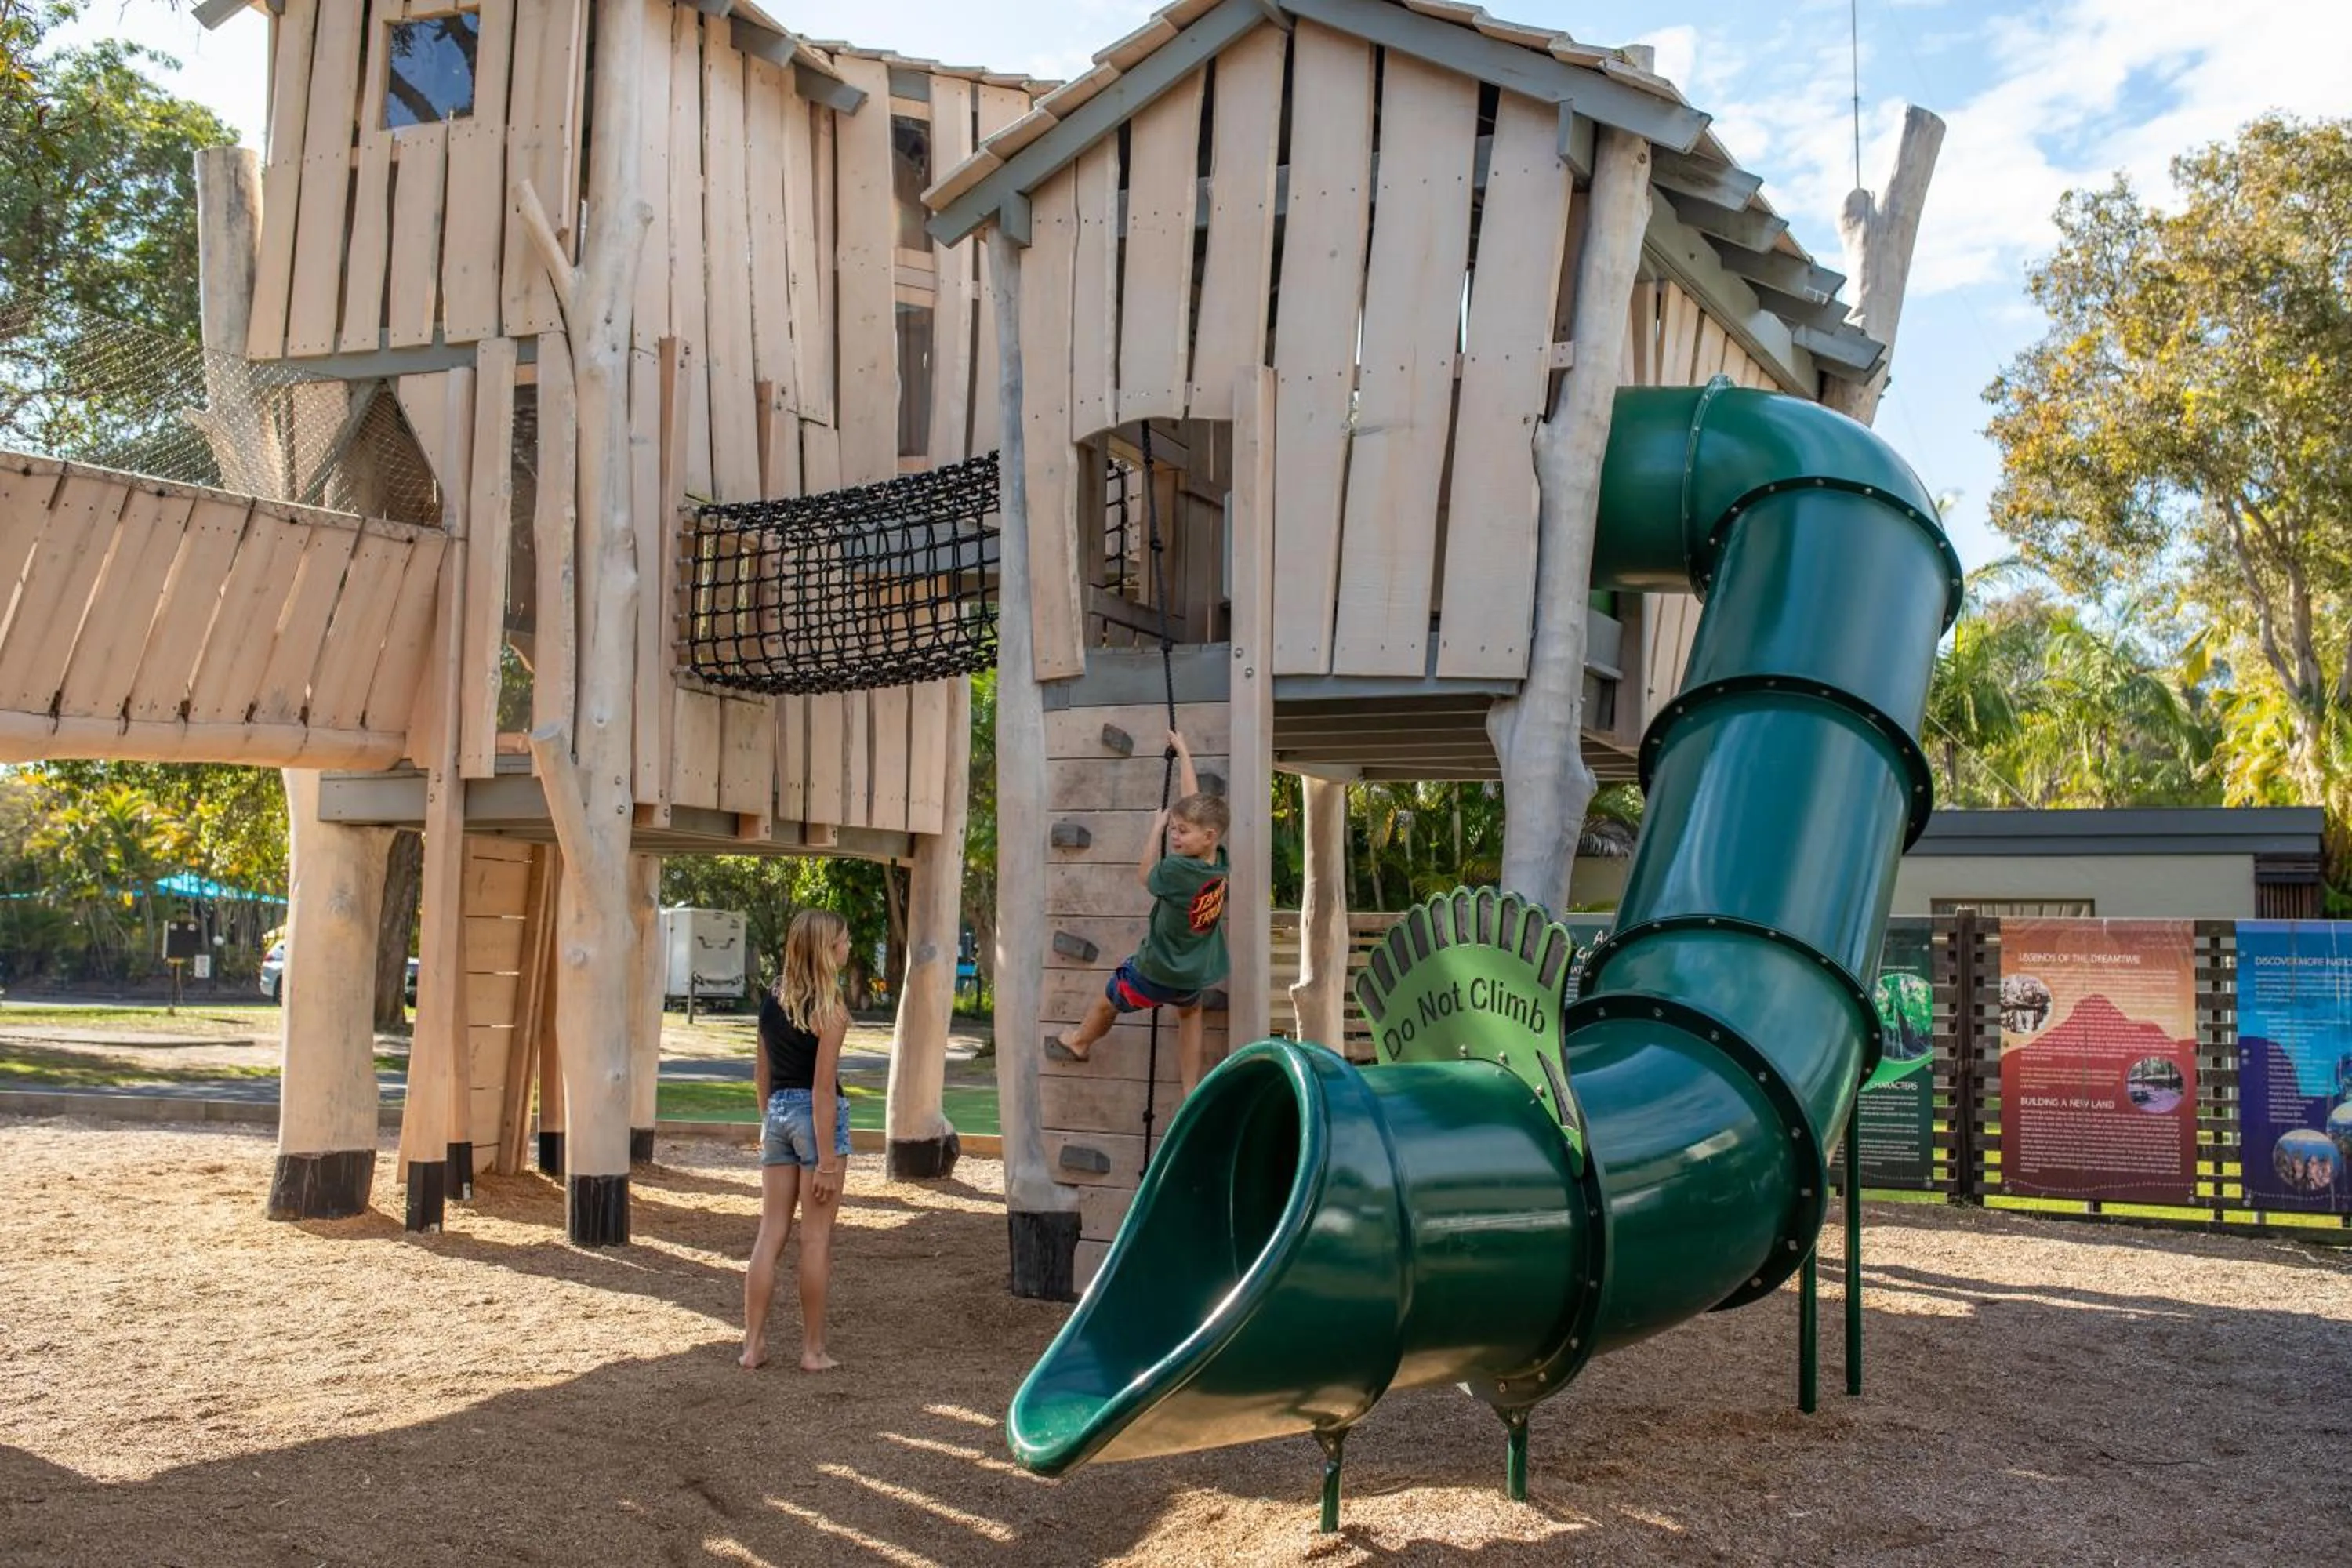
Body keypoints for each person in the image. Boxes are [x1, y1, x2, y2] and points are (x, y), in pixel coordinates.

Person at [1054, 729, 1229, 1094]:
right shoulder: (1217, 864)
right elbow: (1193, 805)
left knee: (1107, 1001)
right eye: (1174, 830)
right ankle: (1190, 1088)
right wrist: (1184, 753)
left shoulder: (1178, 870)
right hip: (1192, 973)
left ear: (1208, 836)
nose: (1175, 837)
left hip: (1156, 970)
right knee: (1190, 1013)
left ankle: (1079, 1042)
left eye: (1182, 832)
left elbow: (1144, 875)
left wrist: (1155, 830)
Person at [741, 908, 851, 1372]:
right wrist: (825, 1160)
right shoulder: (832, 1011)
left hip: (778, 1117)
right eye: (844, 941)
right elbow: (823, 1090)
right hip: (816, 1122)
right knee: (815, 1239)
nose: (849, 947)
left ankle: (753, 1346)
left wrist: (772, 1124)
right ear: (827, 950)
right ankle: (812, 1350)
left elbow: (761, 1075)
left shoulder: (771, 1002)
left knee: (770, 1233)